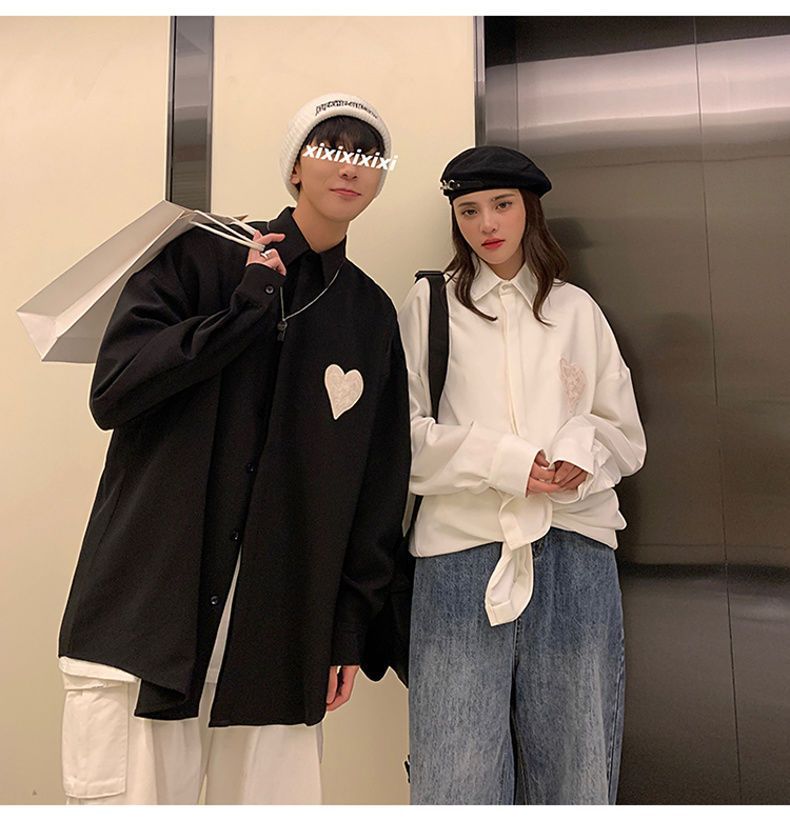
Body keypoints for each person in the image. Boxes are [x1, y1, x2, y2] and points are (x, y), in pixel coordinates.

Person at [56, 91, 411, 804]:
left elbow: (378, 488)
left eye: (368, 155)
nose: (349, 166)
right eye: (331, 147)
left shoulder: (369, 315)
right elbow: (113, 391)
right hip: (147, 617)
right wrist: (244, 307)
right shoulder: (202, 255)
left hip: (280, 634)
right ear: (295, 167)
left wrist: (347, 628)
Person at [397, 145, 647, 805]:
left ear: (529, 209)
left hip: (575, 551)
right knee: (456, 774)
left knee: (576, 767)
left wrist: (579, 453)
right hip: (462, 556)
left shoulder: (576, 310)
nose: (487, 223)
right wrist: (508, 463)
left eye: (502, 204)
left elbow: (625, 434)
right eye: (469, 210)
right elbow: (402, 439)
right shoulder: (430, 305)